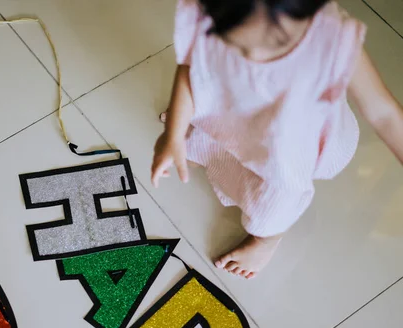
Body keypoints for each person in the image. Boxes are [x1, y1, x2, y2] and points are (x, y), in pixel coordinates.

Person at [151, 0, 403, 279]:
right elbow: (190, 70)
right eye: (237, 46)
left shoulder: (333, 40)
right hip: (232, 117)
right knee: (203, 146)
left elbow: (384, 114)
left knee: (269, 210)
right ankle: (204, 140)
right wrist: (173, 133)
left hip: (287, 149)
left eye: (271, 45)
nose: (252, 57)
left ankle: (265, 243)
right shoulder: (216, 14)